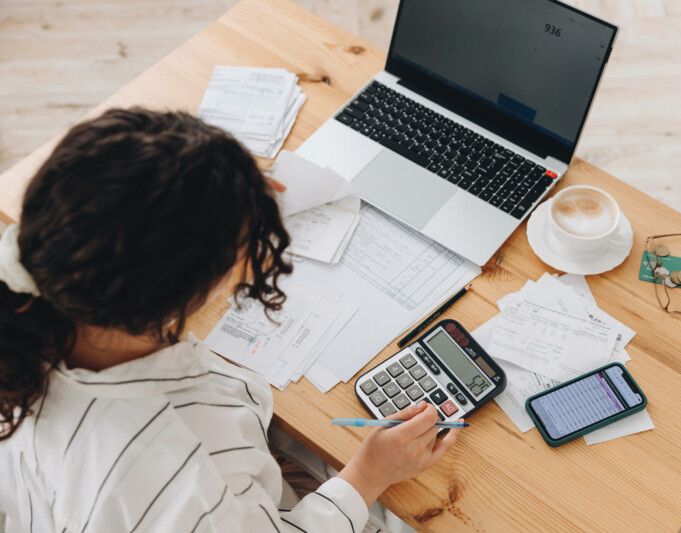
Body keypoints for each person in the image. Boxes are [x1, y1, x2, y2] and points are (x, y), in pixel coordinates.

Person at [0, 108, 460, 532]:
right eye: (243, 248)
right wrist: (366, 476)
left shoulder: (39, 302)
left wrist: (222, 181)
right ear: (181, 294)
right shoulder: (165, 472)